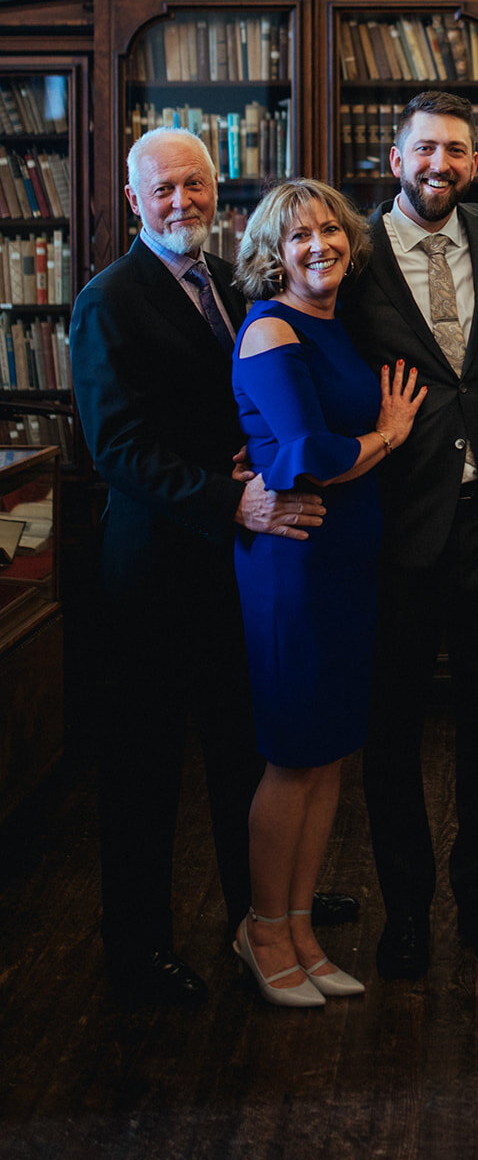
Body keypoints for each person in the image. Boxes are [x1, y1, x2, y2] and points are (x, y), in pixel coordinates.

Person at [69, 127, 336, 1007]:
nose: (182, 202)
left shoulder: (233, 284)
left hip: (235, 569)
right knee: (144, 769)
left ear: (217, 192)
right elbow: (117, 450)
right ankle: (137, 951)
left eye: (196, 185)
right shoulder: (109, 300)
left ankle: (255, 914)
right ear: (133, 201)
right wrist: (234, 499)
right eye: (164, 191)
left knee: (238, 749)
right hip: (150, 574)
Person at [338, 89, 478, 980]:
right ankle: (407, 910)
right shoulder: (352, 252)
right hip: (395, 527)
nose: (440, 165)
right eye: (425, 150)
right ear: (395, 158)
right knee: (394, 729)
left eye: (455, 150)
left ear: (472, 159)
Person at [230, 180, 425, 1006]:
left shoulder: (332, 321)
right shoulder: (271, 326)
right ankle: (261, 931)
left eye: (331, 231)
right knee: (291, 756)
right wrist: (387, 435)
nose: (319, 246)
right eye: (299, 236)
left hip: (346, 560)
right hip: (295, 563)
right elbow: (306, 453)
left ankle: (302, 926)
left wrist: (365, 447)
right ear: (271, 254)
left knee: (331, 751)